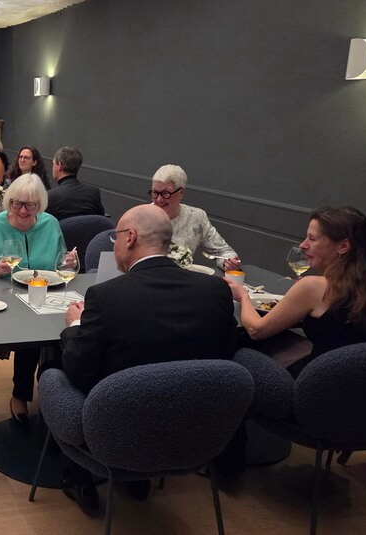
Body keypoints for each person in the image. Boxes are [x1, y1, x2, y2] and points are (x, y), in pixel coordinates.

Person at [58, 203, 237, 510]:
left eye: (115, 237)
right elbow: (225, 356)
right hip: (197, 432)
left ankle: (78, 476)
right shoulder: (215, 291)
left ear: (130, 237)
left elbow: (77, 368)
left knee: (54, 370)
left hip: (116, 433)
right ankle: (138, 480)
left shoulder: (106, 297)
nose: (114, 244)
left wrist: (75, 325)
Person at [229, 206, 366, 377]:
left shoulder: (313, 287)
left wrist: (243, 296)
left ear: (343, 246)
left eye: (312, 238)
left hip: (317, 385)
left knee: (242, 351)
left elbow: (256, 330)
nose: (303, 245)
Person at [0, 173, 66, 423]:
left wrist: (68, 262)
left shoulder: (50, 224)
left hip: (46, 295)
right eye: (16, 204)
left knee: (69, 331)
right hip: (4, 301)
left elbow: (60, 261)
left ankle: (53, 391)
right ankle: (20, 395)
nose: (22, 211)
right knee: (32, 334)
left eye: (30, 205)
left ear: (39, 205)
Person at [150, 164, 241, 271]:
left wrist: (228, 262)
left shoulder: (196, 217)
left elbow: (223, 251)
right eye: (155, 193)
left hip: (183, 278)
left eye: (165, 193)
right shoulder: (141, 218)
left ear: (181, 192)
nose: (159, 199)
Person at [45, 147, 105, 221]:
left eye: (53, 163)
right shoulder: (93, 193)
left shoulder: (50, 196)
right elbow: (101, 221)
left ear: (59, 165)